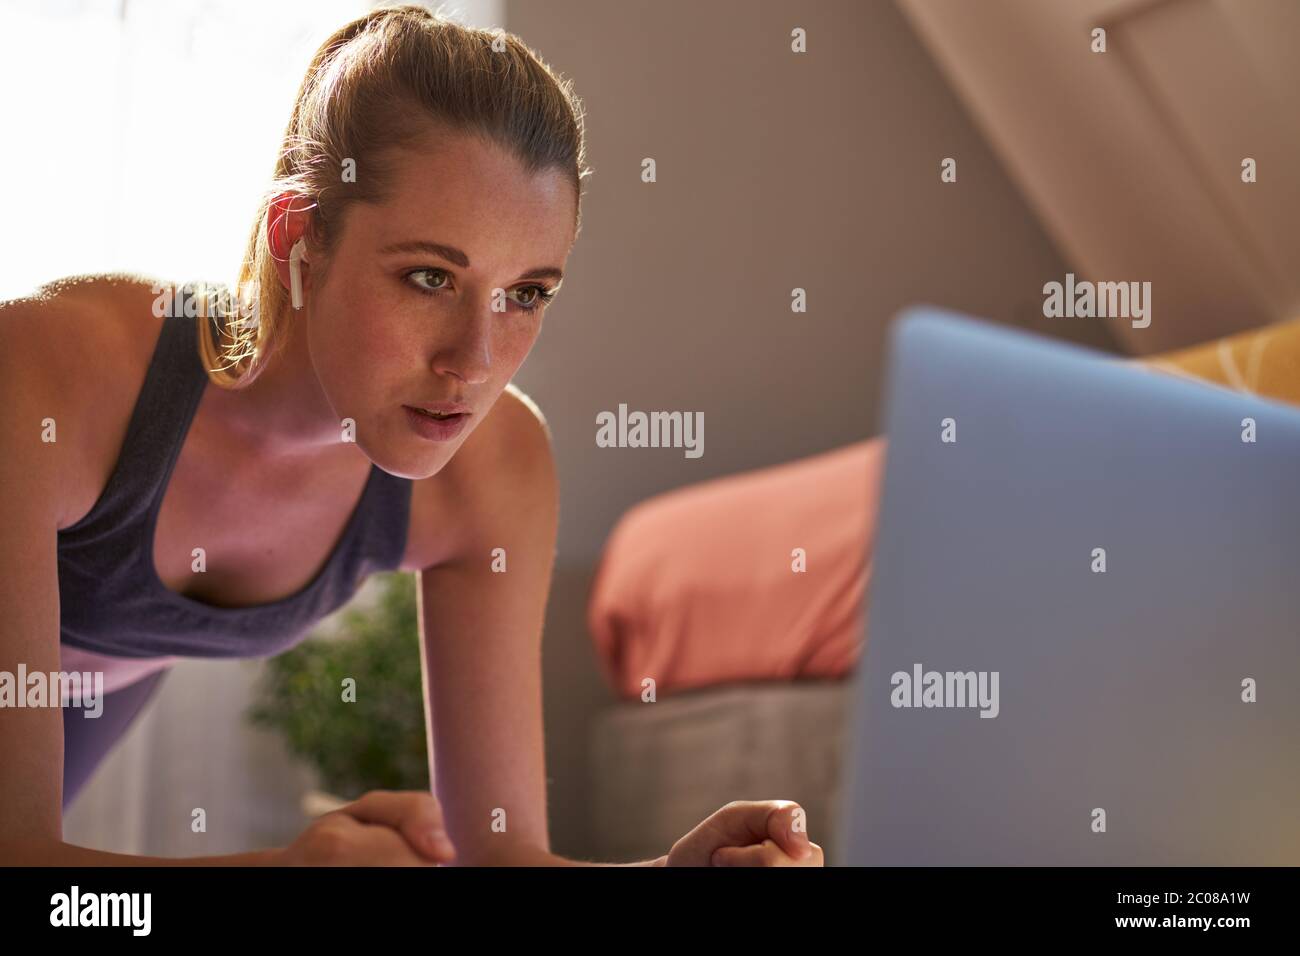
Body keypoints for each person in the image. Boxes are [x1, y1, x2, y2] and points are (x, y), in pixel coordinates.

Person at [0, 4, 822, 867]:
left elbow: (504, 861)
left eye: (528, 293)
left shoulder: (494, 470)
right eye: (429, 277)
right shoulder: (54, 374)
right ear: (297, 239)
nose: (473, 362)